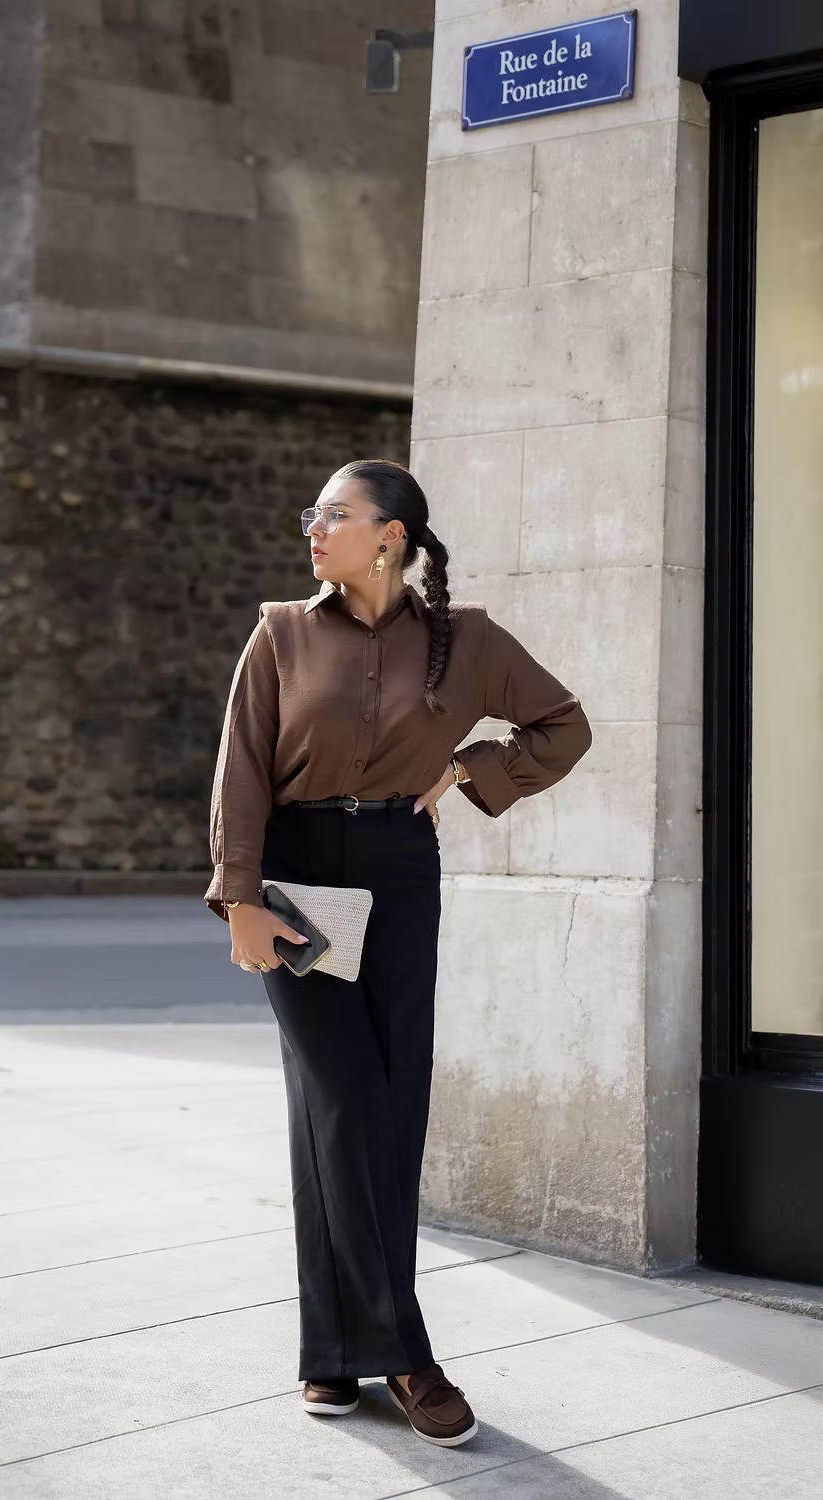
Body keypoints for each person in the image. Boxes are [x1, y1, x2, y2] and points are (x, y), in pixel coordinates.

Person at [205, 458, 591, 1448]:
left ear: (390, 535)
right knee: (346, 1102)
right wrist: (239, 897)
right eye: (313, 515)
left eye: (333, 515)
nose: (313, 529)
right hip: (296, 877)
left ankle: (330, 1355)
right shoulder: (282, 632)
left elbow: (563, 724)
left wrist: (473, 767)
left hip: (398, 869)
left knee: (377, 1108)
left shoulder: (466, 644)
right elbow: (241, 768)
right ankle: (407, 1356)